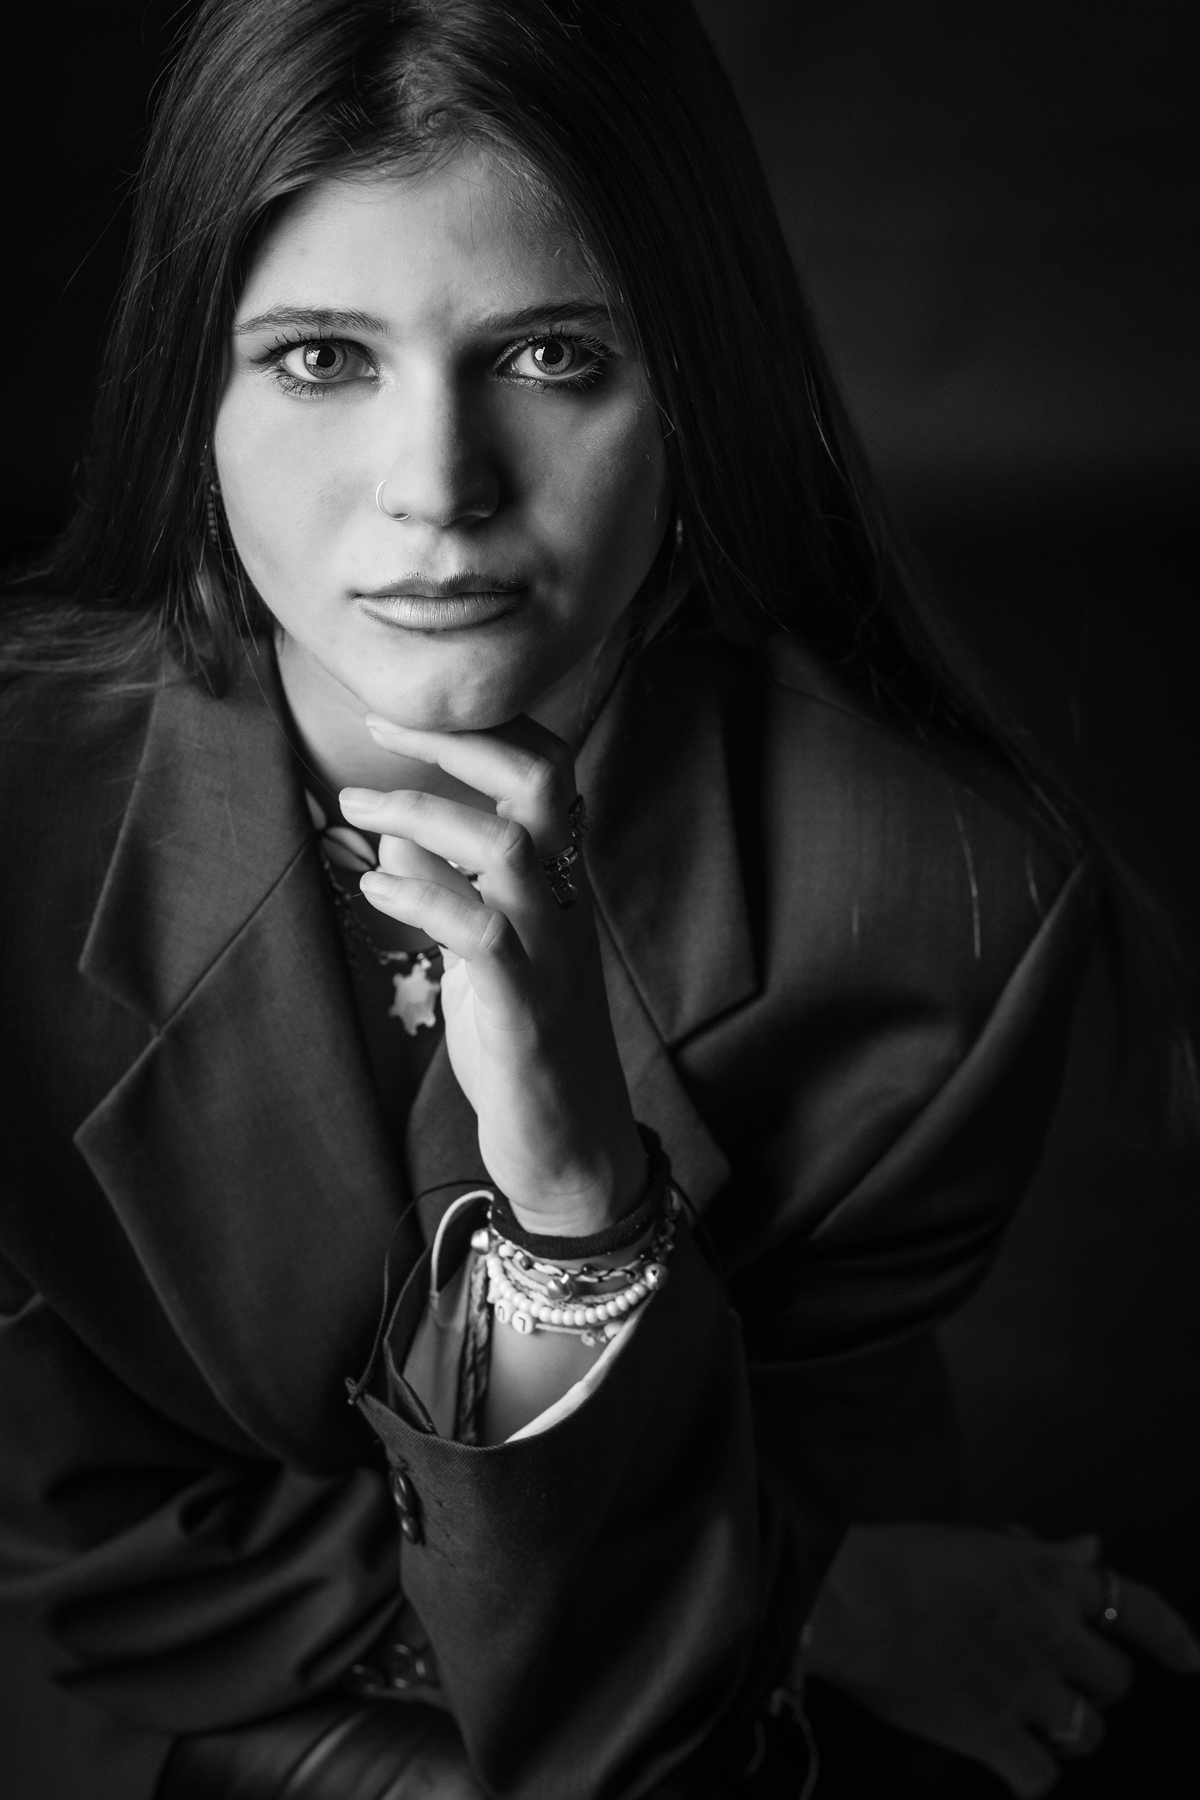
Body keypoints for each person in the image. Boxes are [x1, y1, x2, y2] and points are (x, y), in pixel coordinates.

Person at [0, 1, 1147, 1795]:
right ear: (191, 399)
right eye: (321, 359)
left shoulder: (937, 919)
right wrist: (801, 1598)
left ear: (693, 384)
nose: (437, 493)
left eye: (550, 356)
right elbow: (77, 1565)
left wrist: (576, 1222)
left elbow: (638, 1733)